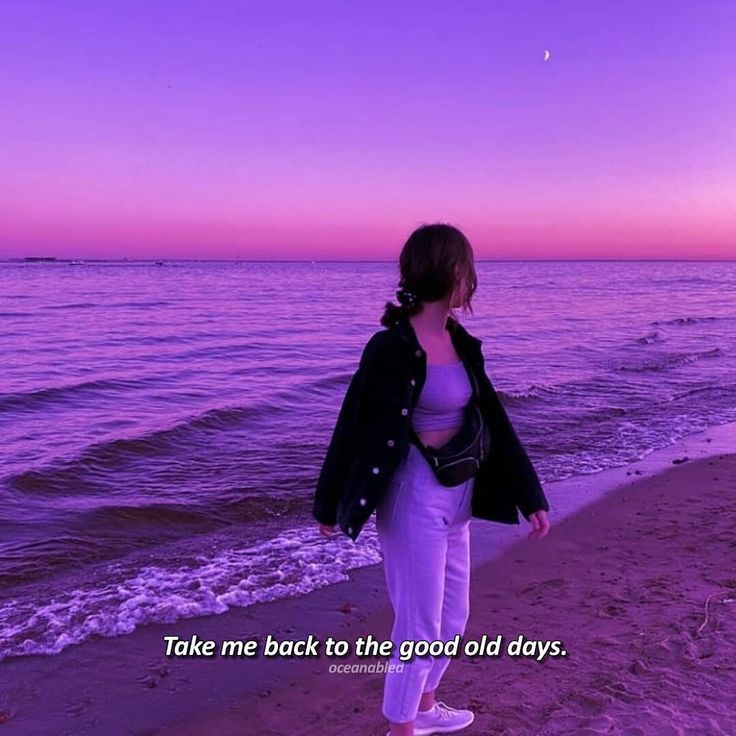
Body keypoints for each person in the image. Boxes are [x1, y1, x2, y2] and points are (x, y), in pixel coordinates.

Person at [313, 222, 551, 736]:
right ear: (447, 271)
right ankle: (401, 728)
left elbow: (494, 419)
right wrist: (328, 504)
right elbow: (351, 424)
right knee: (418, 626)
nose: (473, 278)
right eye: (467, 266)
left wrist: (530, 494)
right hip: (411, 499)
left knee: (453, 621)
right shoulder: (389, 348)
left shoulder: (462, 342)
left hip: (459, 496)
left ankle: (424, 707)